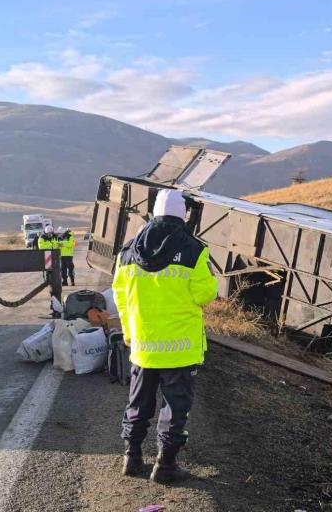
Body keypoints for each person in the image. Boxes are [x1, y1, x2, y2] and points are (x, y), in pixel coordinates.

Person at [112, 189, 217, 483]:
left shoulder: (129, 250)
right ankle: (166, 466)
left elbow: (120, 295)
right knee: (175, 408)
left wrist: (130, 332)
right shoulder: (194, 249)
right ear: (183, 214)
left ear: (154, 213)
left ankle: (131, 458)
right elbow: (205, 294)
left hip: (144, 345)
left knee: (138, 403)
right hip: (180, 348)